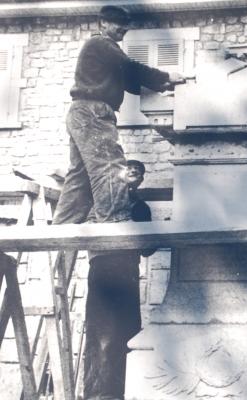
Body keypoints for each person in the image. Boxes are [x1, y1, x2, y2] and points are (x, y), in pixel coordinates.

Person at [52, 5, 183, 225]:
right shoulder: (101, 43)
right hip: (94, 112)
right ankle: (115, 224)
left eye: (126, 25)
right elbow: (131, 68)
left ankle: (61, 231)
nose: (124, 29)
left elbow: (130, 81)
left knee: (80, 178)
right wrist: (167, 74)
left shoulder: (102, 53)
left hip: (81, 112)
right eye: (118, 24)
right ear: (103, 23)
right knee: (111, 168)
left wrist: (163, 85)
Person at [84, 159, 156, 400]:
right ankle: (98, 394)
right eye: (129, 169)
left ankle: (119, 393)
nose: (134, 171)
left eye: (139, 170)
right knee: (101, 333)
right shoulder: (102, 203)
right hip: (103, 267)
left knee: (125, 331)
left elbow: (147, 248)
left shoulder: (141, 208)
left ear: (141, 180)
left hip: (126, 270)